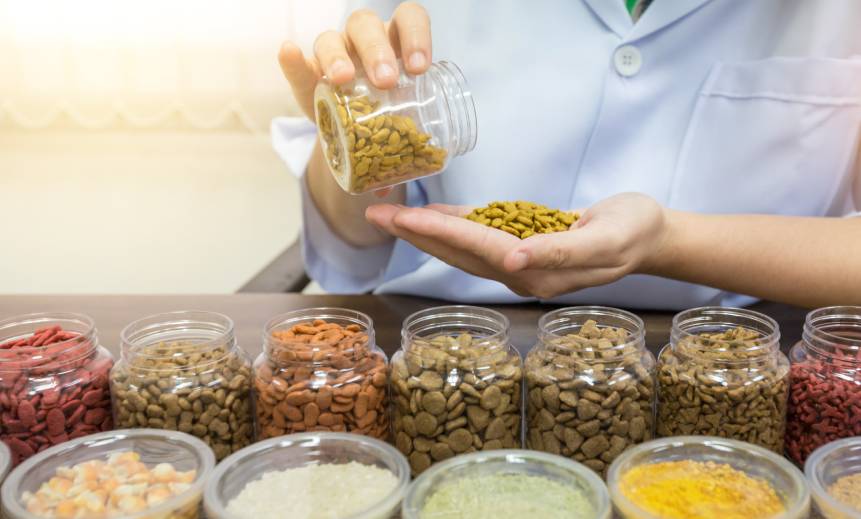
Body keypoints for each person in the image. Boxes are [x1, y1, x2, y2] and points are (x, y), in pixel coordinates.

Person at [273, 0, 861, 309]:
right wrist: (349, 142)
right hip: (448, 339)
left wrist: (670, 243)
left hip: (740, 353)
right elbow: (356, 250)